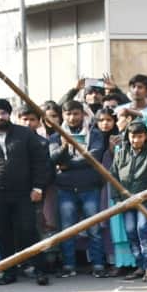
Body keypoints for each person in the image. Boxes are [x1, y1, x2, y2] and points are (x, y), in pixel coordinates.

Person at [0, 96, 53, 285]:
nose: (1, 117)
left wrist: (38, 186)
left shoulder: (25, 134)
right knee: (3, 234)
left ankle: (40, 270)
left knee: (28, 231)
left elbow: (40, 161)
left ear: (9, 115)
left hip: (24, 193)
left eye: (4, 113)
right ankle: (9, 272)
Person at [50, 100, 109, 275]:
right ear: (63, 116)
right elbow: (53, 159)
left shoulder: (95, 134)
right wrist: (64, 147)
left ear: (82, 114)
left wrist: (67, 164)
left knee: (94, 228)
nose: (72, 117)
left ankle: (98, 265)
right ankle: (69, 266)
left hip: (90, 187)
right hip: (65, 189)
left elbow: (94, 157)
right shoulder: (55, 136)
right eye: (68, 114)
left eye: (76, 113)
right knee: (67, 230)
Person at [111, 118, 147, 282]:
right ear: (127, 136)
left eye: (140, 136)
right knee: (130, 232)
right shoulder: (120, 152)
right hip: (126, 201)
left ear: (146, 137)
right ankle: (140, 266)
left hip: (146, 200)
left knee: (143, 230)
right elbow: (113, 175)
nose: (136, 140)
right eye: (132, 136)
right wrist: (117, 198)